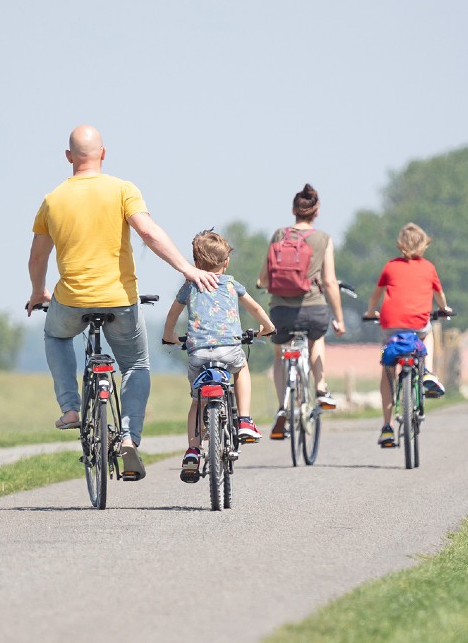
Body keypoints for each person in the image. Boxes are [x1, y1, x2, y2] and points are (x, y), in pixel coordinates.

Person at [27, 125, 218, 481]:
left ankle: (70, 408)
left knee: (55, 336)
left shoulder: (52, 200)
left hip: (70, 301)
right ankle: (129, 437)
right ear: (103, 153)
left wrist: (39, 292)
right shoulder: (122, 190)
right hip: (120, 301)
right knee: (135, 365)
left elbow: (37, 258)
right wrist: (187, 269)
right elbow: (148, 232)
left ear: (69, 157)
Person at [162, 230, 276, 483]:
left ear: (195, 264)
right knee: (241, 368)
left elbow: (172, 315)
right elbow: (255, 308)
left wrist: (169, 336)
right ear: (226, 262)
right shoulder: (232, 284)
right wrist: (267, 328)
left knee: (196, 400)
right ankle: (245, 420)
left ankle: (192, 450)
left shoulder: (190, 285)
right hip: (229, 349)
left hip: (199, 353)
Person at [256, 183, 347, 440]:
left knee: (279, 353)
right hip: (313, 308)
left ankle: (282, 407)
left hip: (281, 311)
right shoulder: (323, 239)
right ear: (316, 212)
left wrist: (262, 284)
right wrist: (339, 319)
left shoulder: (278, 235)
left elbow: (263, 277)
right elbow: (329, 282)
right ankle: (320, 389)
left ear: (293, 211)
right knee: (316, 339)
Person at [363, 222, 450, 448]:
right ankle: (427, 373)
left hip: (391, 324)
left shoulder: (390, 266)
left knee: (388, 369)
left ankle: (386, 427)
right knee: (427, 334)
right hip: (418, 324)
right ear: (424, 245)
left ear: (401, 244)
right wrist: (445, 308)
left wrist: (371, 312)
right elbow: (439, 295)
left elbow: (375, 296)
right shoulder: (429, 268)